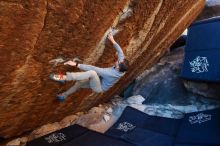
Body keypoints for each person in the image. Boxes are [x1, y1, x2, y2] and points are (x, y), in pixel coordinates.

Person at [50, 31, 129, 101]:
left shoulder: (111, 73)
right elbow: (120, 52)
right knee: (79, 83)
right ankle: (63, 96)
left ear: (118, 68)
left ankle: (63, 78)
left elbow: (93, 69)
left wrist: (76, 64)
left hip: (99, 87)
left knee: (92, 73)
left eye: (118, 62)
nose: (117, 60)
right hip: (99, 80)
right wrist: (112, 39)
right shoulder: (121, 66)